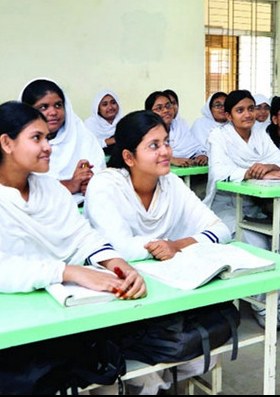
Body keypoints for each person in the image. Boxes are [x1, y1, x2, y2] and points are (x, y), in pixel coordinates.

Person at [84, 110, 231, 393]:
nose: (165, 151)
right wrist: (164, 246)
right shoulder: (105, 184)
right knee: (141, 374)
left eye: (166, 142)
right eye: (153, 145)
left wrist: (176, 245)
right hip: (122, 296)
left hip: (166, 290)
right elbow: (118, 247)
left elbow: (221, 229)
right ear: (128, 157)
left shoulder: (171, 183)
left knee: (202, 353)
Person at [0, 100, 146, 298]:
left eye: (47, 138)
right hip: (13, 307)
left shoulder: (52, 189)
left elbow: (84, 238)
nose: (47, 147)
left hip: (77, 301)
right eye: (37, 138)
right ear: (7, 143)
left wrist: (120, 266)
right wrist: (69, 272)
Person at [203, 89, 280, 329]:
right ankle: (262, 307)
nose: (247, 114)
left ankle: (279, 303)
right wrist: (250, 172)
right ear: (229, 115)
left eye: (251, 108)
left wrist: (267, 165)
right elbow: (219, 172)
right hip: (227, 208)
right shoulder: (218, 136)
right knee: (259, 246)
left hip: (254, 205)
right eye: (240, 110)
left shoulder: (261, 135)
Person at [19, 78, 105, 205]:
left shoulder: (80, 134)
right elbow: (22, 187)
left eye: (58, 105)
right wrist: (70, 185)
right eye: (44, 107)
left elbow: (99, 170)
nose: (53, 112)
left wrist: (89, 182)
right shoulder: (19, 144)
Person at [146, 90, 207, 167]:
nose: (166, 110)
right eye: (159, 108)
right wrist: (171, 159)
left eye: (168, 106)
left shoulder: (179, 127)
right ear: (149, 113)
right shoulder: (145, 131)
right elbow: (143, 155)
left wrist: (201, 155)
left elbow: (194, 149)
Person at [84, 89, 123, 156]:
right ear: (98, 109)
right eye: (105, 104)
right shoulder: (90, 124)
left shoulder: (124, 121)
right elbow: (86, 145)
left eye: (113, 102)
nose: (110, 107)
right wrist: (108, 141)